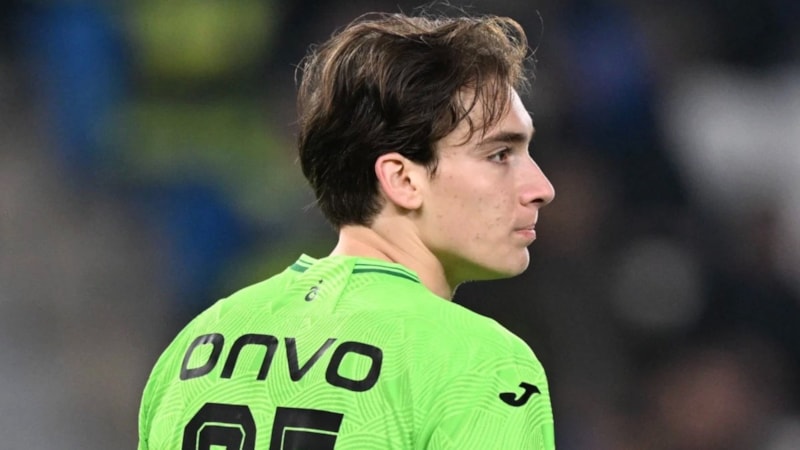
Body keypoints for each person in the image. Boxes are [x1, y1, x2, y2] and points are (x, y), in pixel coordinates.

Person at [138, 9, 556, 449]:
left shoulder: (196, 345)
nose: (541, 189)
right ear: (403, 179)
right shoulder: (479, 363)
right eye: (499, 155)